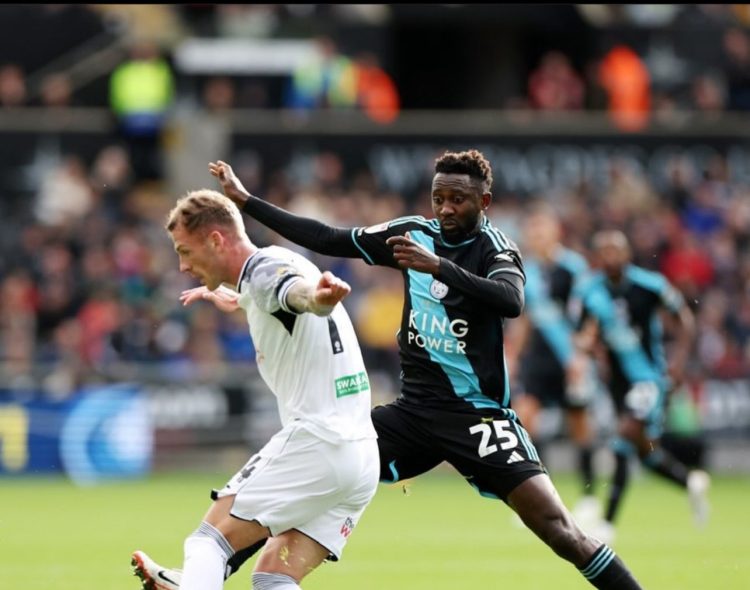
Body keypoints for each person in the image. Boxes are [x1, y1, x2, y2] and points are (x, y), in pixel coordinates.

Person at [134, 150, 645, 590]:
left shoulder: (496, 249)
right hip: (412, 415)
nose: (445, 209)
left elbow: (511, 301)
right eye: (438, 198)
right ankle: (201, 575)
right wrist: (249, 204)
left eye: (458, 200)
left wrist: (438, 267)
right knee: (300, 485)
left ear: (483, 203)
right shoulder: (411, 233)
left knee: (560, 530)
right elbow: (329, 237)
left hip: (479, 418)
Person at [131, 189, 379, 590]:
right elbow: (276, 293)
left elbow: (294, 293)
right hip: (361, 457)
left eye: (185, 251)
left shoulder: (264, 272)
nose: (182, 265)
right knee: (273, 576)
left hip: (319, 443)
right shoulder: (275, 266)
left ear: (215, 240)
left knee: (207, 543)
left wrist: (316, 300)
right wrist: (241, 299)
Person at [573, 229, 710, 545]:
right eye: (604, 251)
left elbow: (685, 320)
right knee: (646, 454)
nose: (610, 256)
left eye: (615, 250)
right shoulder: (590, 290)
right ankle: (689, 481)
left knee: (622, 439)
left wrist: (678, 363)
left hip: (649, 378)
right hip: (617, 384)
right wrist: (588, 347)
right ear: (597, 257)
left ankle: (607, 525)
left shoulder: (650, 285)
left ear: (627, 254)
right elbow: (582, 334)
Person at [507, 203, 601, 527]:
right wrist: (514, 357)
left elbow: (590, 313)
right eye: (532, 230)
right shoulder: (527, 271)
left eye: (541, 228)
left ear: (555, 232)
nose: (536, 235)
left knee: (578, 425)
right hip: (538, 360)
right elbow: (526, 318)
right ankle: (540, 498)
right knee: (523, 423)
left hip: (569, 359)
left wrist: (581, 355)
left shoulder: (572, 268)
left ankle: (589, 498)